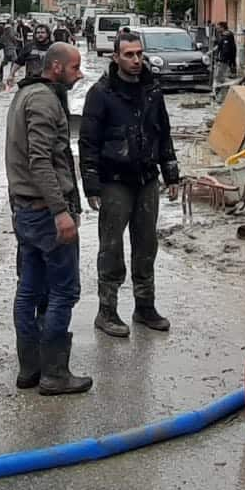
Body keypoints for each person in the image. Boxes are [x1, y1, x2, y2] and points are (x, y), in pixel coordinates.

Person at [79, 30, 181, 338]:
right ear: (116, 57)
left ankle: (144, 307)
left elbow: (163, 132)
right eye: (129, 55)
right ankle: (107, 311)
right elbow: (88, 141)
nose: (136, 60)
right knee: (111, 248)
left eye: (139, 54)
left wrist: (172, 173)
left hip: (147, 179)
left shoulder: (152, 90)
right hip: (114, 181)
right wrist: (92, 185)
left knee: (146, 245)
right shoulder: (102, 93)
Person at [5, 42, 92, 395]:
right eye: (74, 68)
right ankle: (54, 373)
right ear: (56, 67)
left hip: (26, 209)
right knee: (63, 291)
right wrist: (61, 211)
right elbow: (40, 161)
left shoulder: (26, 95)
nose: (79, 74)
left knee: (29, 288)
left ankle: (30, 369)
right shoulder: (42, 100)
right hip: (43, 212)